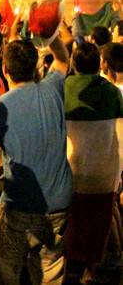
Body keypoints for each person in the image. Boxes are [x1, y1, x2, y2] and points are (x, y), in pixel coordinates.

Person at [0, 35, 72, 285]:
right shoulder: (52, 89)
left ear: (5, 70)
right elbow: (63, 58)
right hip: (59, 205)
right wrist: (50, 35)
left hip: (19, 205)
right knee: (50, 274)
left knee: (3, 273)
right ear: (36, 68)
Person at [64, 42, 123, 282]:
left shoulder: (64, 88)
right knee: (100, 221)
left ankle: (70, 266)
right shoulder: (111, 92)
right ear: (99, 64)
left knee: (73, 221)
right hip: (104, 169)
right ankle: (92, 268)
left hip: (72, 168)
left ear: (74, 64)